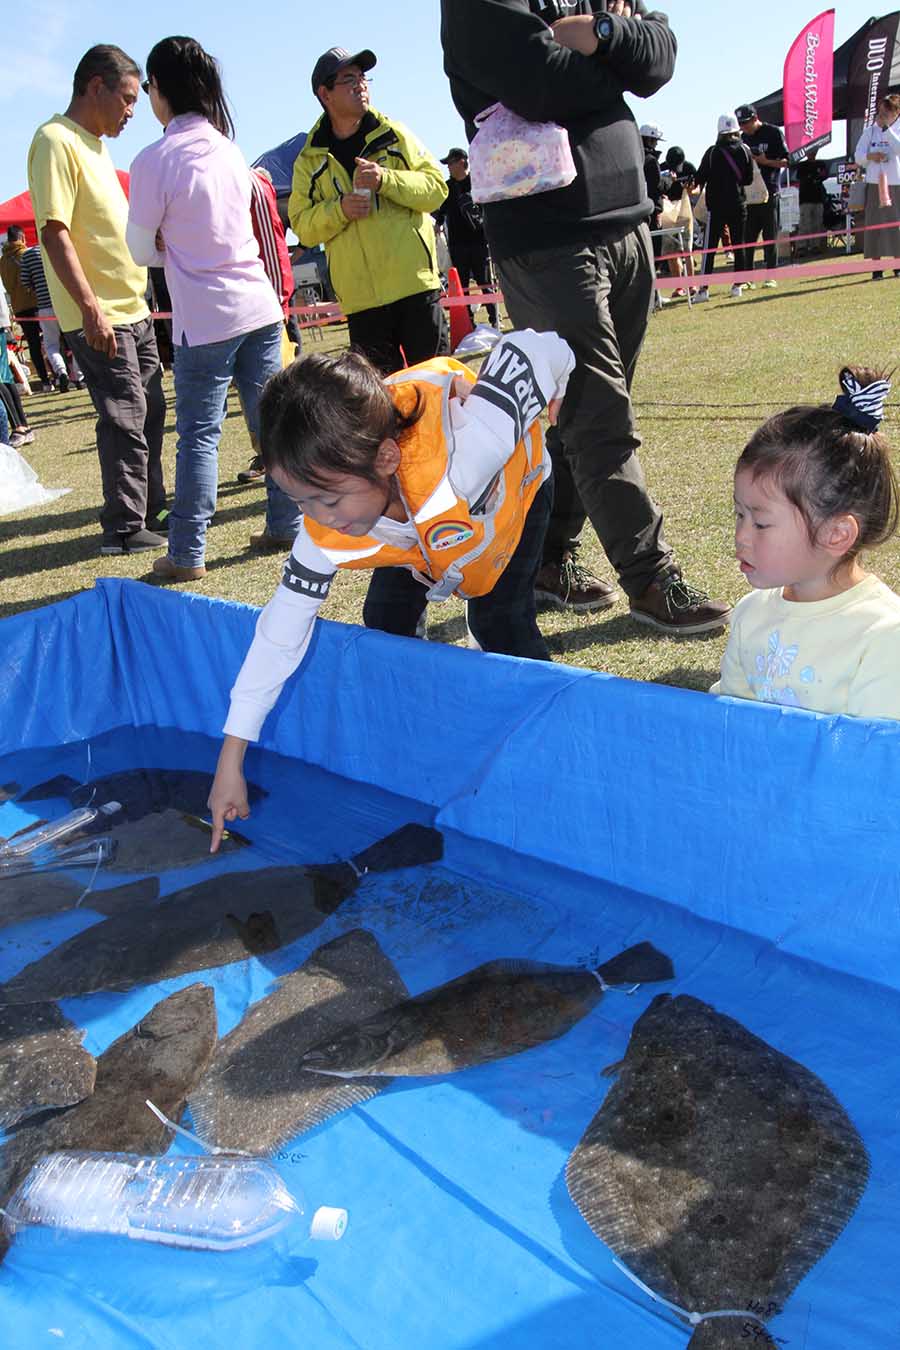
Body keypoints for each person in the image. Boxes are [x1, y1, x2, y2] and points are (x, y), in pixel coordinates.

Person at [207, 328, 573, 845]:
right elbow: (279, 636)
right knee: (385, 619)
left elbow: (539, 346)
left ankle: (553, 753)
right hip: (414, 532)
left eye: (328, 500)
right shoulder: (334, 519)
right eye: (301, 503)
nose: (320, 519)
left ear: (384, 459)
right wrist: (231, 758)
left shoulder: (471, 452)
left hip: (510, 502)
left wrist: (559, 381)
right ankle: (419, 733)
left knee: (500, 623)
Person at [441, 0, 731, 633]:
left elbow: (661, 55)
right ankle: (649, 577)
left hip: (627, 222)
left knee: (579, 413)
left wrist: (601, 33)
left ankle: (547, 558)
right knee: (599, 416)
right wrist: (616, 60)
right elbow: (540, 83)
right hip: (548, 238)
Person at [126, 35, 296, 582]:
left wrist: (169, 246)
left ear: (159, 87)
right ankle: (286, 522)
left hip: (204, 318)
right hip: (258, 305)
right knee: (271, 422)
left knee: (200, 436)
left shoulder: (153, 160)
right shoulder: (228, 148)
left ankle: (187, 552)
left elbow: (139, 249)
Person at [27, 43, 167, 555]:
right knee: (124, 415)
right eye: (127, 99)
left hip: (135, 307)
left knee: (150, 411)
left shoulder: (96, 146)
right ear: (94, 87)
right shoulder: (55, 140)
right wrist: (90, 309)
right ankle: (124, 528)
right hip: (102, 314)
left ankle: (150, 510)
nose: (132, 111)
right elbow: (55, 232)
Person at [713, 366, 900, 719]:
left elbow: (874, 749)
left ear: (836, 534)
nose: (741, 536)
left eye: (761, 523)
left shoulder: (883, 636)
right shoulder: (751, 615)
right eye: (739, 515)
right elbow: (730, 724)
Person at [289, 46, 448, 377]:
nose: (360, 85)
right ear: (325, 94)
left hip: (416, 289)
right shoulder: (309, 160)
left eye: (363, 77)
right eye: (349, 79)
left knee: (440, 388)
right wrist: (340, 209)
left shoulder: (395, 135)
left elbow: (437, 189)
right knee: (380, 401)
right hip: (363, 305)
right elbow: (302, 225)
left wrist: (387, 180)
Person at [235, 165, 302, 494]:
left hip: (266, 308)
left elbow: (274, 247)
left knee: (275, 391)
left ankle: (296, 458)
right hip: (236, 311)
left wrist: (280, 302)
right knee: (255, 395)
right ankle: (268, 455)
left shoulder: (253, 183)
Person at [433, 147, 499, 328]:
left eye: (450, 163)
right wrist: (438, 224)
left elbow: (489, 208)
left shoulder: (476, 182)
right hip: (457, 245)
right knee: (461, 286)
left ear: (462, 162)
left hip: (479, 243)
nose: (448, 167)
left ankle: (495, 319)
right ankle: (467, 322)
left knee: (485, 283)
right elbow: (441, 210)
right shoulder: (447, 187)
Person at [695, 114, 753, 301]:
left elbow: (699, 177)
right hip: (738, 203)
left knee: (710, 248)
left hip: (716, 206)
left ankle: (703, 290)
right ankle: (738, 286)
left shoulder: (712, 152)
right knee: (739, 245)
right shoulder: (744, 150)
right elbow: (748, 179)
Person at [18, 241, 85, 392]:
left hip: (45, 306)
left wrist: (36, 286)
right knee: (75, 340)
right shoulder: (60, 247)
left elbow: (25, 282)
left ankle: (61, 372)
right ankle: (79, 377)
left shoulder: (28, 255)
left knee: (51, 345)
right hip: (65, 302)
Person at [735, 103, 788, 285]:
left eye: (746, 123)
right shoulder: (742, 139)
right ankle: (748, 278)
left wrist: (766, 162)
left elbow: (787, 161)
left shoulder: (773, 133)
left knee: (770, 236)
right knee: (748, 238)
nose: (744, 127)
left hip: (770, 191)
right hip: (749, 195)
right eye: (740, 124)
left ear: (755, 118)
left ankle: (771, 276)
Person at [854, 94, 900, 282]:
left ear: (896, 113)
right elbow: (858, 156)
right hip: (874, 184)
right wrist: (870, 156)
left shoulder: (897, 129)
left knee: (895, 225)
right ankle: (877, 268)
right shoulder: (869, 132)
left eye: (887, 112)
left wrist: (887, 130)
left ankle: (897, 265)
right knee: (875, 226)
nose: (883, 115)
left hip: (895, 183)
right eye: (881, 111)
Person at [0, 226, 52, 392]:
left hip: (19, 308)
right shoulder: (26, 254)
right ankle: (60, 374)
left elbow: (8, 286)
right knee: (51, 340)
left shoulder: (2, 261)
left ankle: (45, 381)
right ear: (22, 238)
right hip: (37, 303)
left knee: (33, 344)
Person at [795, 148, 828, 258]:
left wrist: (816, 176)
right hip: (805, 199)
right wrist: (813, 176)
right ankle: (801, 247)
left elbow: (824, 175)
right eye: (809, 152)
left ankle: (815, 246)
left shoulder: (821, 164)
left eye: (813, 152)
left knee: (817, 223)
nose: (811, 154)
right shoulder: (802, 165)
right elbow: (801, 177)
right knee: (804, 224)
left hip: (818, 198)